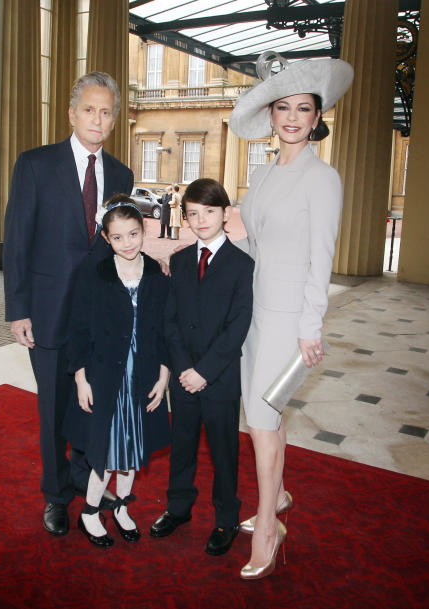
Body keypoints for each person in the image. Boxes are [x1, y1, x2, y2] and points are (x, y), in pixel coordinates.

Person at [228, 53, 353, 579]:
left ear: (316, 115)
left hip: (286, 321)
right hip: (254, 313)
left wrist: (310, 329)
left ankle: (266, 524)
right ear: (272, 116)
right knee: (265, 418)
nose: (293, 117)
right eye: (283, 107)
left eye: (304, 108)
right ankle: (276, 494)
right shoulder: (263, 174)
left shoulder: (322, 178)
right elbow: (254, 242)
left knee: (260, 421)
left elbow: (320, 259)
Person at [3, 72, 134, 537]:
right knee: (55, 411)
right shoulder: (35, 165)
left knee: (92, 407)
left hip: (98, 320)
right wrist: (18, 309)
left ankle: (85, 480)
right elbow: (17, 240)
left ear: (114, 119)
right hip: (48, 314)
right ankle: (56, 495)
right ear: (71, 113)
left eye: (105, 112)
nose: (97, 119)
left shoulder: (121, 174)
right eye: (89, 109)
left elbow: (120, 245)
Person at [151, 178, 254, 557]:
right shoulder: (179, 260)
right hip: (183, 374)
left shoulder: (242, 265)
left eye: (209, 211)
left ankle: (226, 518)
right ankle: (178, 508)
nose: (201, 219)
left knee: (224, 450)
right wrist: (183, 368)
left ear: (226, 213)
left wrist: (204, 372)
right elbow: (170, 320)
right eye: (193, 213)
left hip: (220, 377)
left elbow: (238, 325)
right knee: (182, 446)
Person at [64, 196, 171, 547]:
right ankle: (90, 512)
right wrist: (80, 378)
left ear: (145, 231)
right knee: (107, 450)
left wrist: (165, 374)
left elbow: (166, 328)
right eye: (119, 237)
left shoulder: (156, 273)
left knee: (133, 448)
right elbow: (77, 328)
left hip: (141, 375)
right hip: (105, 378)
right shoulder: (94, 275)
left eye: (134, 234)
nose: (128, 243)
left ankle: (122, 506)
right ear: (107, 239)